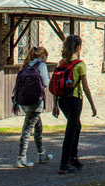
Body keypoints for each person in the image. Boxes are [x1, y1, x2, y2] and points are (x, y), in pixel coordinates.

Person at [53, 34, 97, 174]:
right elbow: (85, 87)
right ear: (78, 47)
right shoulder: (79, 65)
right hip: (75, 99)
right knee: (71, 130)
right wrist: (92, 105)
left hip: (62, 100)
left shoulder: (61, 63)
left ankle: (73, 157)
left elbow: (56, 86)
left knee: (76, 126)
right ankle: (64, 163)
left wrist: (55, 104)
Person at [14, 46, 54, 168]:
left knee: (38, 127)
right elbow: (46, 83)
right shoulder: (41, 66)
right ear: (43, 56)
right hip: (36, 101)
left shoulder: (26, 66)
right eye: (46, 57)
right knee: (27, 129)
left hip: (24, 101)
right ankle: (21, 158)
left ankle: (42, 154)